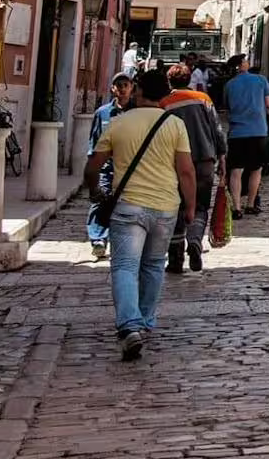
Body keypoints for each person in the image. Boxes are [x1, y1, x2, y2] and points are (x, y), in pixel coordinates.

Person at [84, 70, 196, 361]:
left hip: (128, 207)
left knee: (124, 266)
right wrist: (191, 207)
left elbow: (93, 166)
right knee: (154, 265)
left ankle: (129, 326)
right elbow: (186, 171)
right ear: (164, 95)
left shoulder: (119, 122)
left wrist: (95, 191)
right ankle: (144, 321)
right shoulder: (175, 125)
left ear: (139, 91)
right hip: (166, 207)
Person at [159, 64, 227, 275]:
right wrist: (222, 155)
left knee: (176, 207)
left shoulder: (164, 103)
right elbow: (217, 128)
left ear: (169, 81)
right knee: (200, 206)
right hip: (204, 159)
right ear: (189, 80)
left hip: (175, 162)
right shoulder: (203, 99)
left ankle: (175, 259)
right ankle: (195, 239)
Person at [85, 74, 135, 261]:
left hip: (130, 168)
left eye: (125, 84)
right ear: (112, 88)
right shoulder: (103, 113)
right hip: (106, 167)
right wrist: (93, 163)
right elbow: (95, 140)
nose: (122, 88)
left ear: (131, 87)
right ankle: (98, 239)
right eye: (118, 85)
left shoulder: (137, 112)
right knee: (100, 201)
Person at [221, 54, 269, 218]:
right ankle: (250, 204)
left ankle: (236, 208)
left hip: (237, 133)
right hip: (258, 131)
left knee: (236, 171)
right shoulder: (260, 80)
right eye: (245, 60)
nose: (247, 61)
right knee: (256, 169)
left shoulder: (229, 85)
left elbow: (227, 107)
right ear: (241, 65)